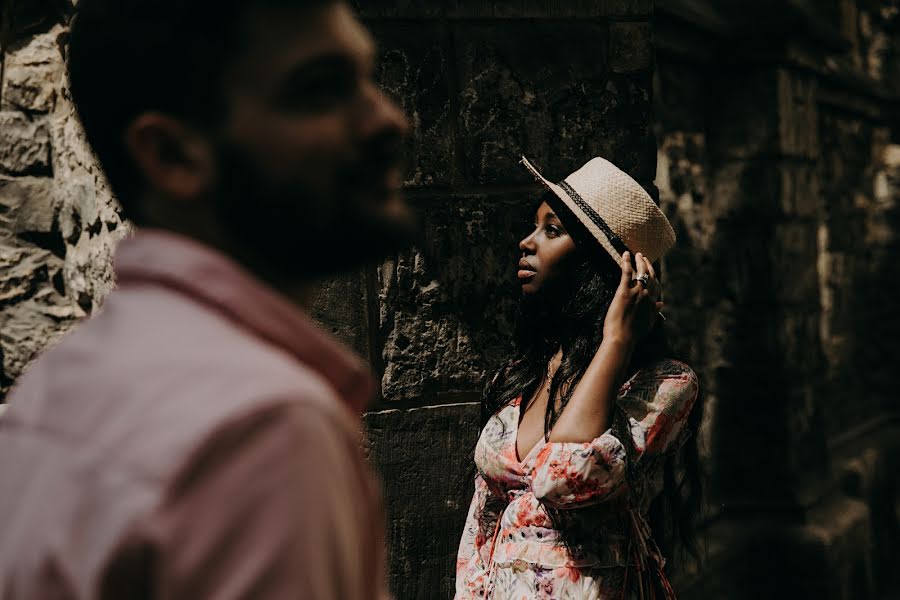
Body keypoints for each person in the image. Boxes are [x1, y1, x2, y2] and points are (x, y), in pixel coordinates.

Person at [0, 1, 414, 598]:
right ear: (173, 156)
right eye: (321, 89)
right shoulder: (260, 427)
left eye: (367, 79)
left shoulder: (54, 386)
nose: (387, 119)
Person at [455, 156, 703, 599]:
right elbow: (480, 525)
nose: (525, 243)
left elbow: (561, 476)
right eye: (534, 226)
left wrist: (616, 340)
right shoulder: (522, 375)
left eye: (552, 230)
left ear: (601, 265)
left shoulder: (663, 386)